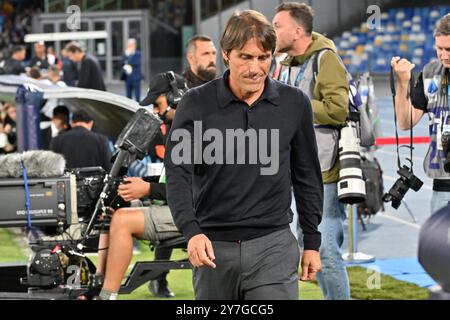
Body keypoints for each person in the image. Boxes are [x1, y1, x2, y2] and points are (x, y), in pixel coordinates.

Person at [164, 9, 323, 300]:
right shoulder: (195, 103)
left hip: (273, 246)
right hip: (213, 248)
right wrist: (191, 231)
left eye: (263, 58)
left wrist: (311, 241)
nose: (255, 68)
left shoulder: (295, 103)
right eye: (245, 58)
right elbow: (177, 175)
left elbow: (307, 177)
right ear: (226, 55)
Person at [272, 2, 350, 300]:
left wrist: (295, 104)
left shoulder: (325, 59)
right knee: (303, 245)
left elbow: (337, 110)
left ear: (298, 30)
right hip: (295, 169)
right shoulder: (286, 64)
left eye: (278, 25)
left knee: (326, 250)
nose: (273, 30)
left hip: (324, 170)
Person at [94, 72, 187, 301]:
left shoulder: (194, 132)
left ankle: (107, 296)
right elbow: (173, 180)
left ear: (175, 96)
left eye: (157, 104)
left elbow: (196, 189)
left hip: (195, 212)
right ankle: (97, 282)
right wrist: (141, 185)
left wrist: (147, 189)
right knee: (112, 210)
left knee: (123, 220)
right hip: (177, 205)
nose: (155, 111)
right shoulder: (179, 131)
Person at [391, 13, 450, 214]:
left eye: (449, 49)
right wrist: (403, 82)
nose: (444, 55)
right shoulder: (430, 72)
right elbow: (406, 122)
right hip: (442, 180)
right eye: (439, 48)